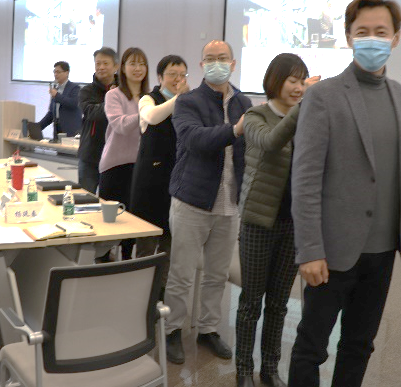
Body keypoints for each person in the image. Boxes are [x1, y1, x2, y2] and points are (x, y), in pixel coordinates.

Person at [288, 0, 401, 387]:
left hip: (382, 252)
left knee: (359, 344)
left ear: (395, 38)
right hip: (331, 252)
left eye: (381, 31)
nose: (372, 39)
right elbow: (305, 179)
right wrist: (309, 249)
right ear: (349, 37)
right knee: (312, 346)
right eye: (362, 32)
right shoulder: (323, 96)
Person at [164, 40, 252, 365]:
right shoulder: (187, 101)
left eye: (223, 58)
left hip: (230, 203)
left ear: (233, 63)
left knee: (217, 273)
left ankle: (208, 329)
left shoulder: (244, 102)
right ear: (201, 65)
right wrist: (235, 130)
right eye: (210, 59)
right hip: (192, 200)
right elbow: (194, 140)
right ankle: (172, 329)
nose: (217, 63)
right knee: (182, 272)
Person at [235, 54, 320, 387]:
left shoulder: (306, 118)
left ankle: (269, 368)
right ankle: (244, 368)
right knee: (251, 302)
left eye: (303, 81)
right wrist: (303, 108)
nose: (299, 88)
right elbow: (271, 143)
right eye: (293, 81)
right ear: (275, 81)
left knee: (279, 303)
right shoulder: (256, 115)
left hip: (293, 224)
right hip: (258, 222)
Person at [131, 54, 189, 298]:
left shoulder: (187, 103)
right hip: (149, 183)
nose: (177, 79)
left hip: (176, 182)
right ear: (159, 77)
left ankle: (160, 294)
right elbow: (153, 117)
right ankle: (139, 293)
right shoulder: (148, 99)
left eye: (182, 75)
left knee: (169, 243)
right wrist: (178, 98)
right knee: (146, 242)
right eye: (172, 75)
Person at [99, 47, 149, 261]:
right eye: (133, 64)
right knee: (110, 224)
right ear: (122, 68)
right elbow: (120, 125)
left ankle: (127, 264)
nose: (138, 68)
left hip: (140, 167)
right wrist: (146, 113)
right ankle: (102, 263)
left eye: (142, 64)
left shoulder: (149, 97)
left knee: (132, 223)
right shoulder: (114, 95)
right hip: (114, 166)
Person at [78, 47, 118, 193]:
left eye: (105, 63)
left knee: (111, 200)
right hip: (90, 155)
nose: (101, 67)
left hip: (116, 155)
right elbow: (92, 114)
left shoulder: (124, 90)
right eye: (97, 63)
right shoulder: (86, 91)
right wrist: (112, 100)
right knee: (85, 198)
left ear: (116, 66)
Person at [38, 61, 81, 138]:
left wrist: (56, 95)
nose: (55, 74)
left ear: (67, 73)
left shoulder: (75, 88)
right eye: (54, 72)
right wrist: (38, 127)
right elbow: (51, 113)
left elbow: (73, 103)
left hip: (71, 131)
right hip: (57, 129)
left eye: (58, 72)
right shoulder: (55, 90)